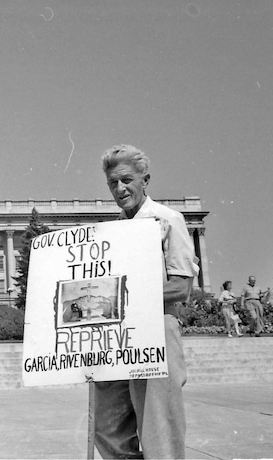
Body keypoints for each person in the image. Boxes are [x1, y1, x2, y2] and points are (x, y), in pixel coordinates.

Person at [94, 145, 199, 459]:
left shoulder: (168, 219)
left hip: (156, 330)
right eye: (113, 182)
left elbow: (181, 287)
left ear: (145, 180)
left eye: (126, 180)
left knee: (158, 428)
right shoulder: (114, 229)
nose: (119, 188)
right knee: (106, 425)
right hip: (117, 334)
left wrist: (124, 296)